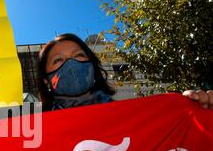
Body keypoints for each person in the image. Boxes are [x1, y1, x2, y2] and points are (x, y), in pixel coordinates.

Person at [37, 33, 213, 111]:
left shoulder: (137, 119)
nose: (71, 63)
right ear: (46, 80)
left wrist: (194, 109)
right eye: (58, 60)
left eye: (79, 55)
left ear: (93, 69)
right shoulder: (37, 134)